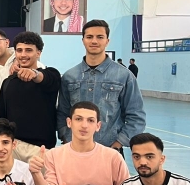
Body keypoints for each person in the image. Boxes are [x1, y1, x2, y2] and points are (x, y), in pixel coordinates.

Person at [57, 20, 146, 154]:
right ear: (83, 40)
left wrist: (118, 143)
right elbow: (62, 112)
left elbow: (136, 115)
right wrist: (65, 137)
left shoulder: (124, 76)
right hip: (73, 150)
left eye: (100, 37)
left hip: (110, 151)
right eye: (89, 37)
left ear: (107, 41)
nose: (94, 41)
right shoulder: (69, 76)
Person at [0, 31, 61, 161]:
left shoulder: (51, 74)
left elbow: (47, 79)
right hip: (13, 146)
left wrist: (34, 74)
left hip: (41, 148)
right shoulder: (8, 82)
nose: (23, 54)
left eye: (28, 50)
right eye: (19, 50)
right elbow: (0, 116)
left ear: (38, 53)